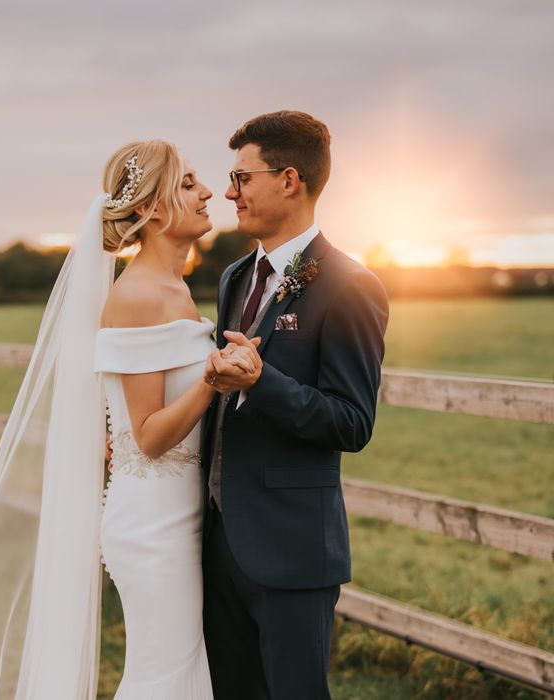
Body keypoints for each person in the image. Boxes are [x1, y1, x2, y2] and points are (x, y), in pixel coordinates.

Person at [0, 139, 253, 698]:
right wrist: (213, 381)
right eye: (189, 183)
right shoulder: (141, 295)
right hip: (152, 525)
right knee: (162, 677)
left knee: (177, 671)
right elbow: (147, 438)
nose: (209, 191)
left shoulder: (173, 288)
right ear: (152, 208)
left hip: (178, 515)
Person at [200, 110, 390, 699]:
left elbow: (352, 422)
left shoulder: (350, 285)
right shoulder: (235, 276)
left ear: (289, 180)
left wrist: (263, 385)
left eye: (242, 178)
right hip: (216, 538)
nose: (230, 193)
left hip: (292, 549)